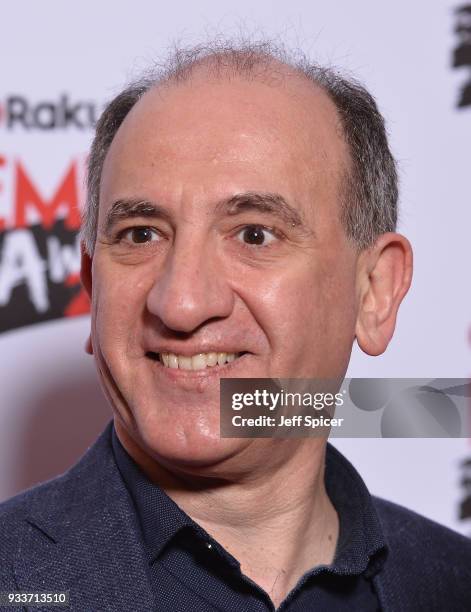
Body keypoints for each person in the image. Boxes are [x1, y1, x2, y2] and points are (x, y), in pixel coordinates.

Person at [1, 40, 470, 612]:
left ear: (374, 291)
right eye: (141, 234)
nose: (181, 303)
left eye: (254, 234)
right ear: (95, 287)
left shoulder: (453, 582)